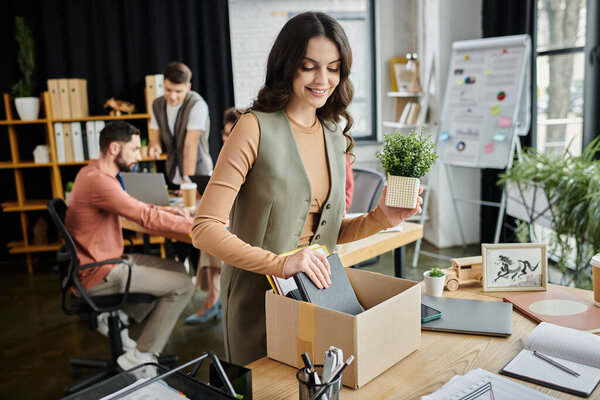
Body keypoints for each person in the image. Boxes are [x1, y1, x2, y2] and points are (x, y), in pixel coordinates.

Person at [191, 12, 422, 366]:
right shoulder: (252, 128)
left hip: (319, 293)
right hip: (258, 300)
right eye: (309, 66)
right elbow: (204, 229)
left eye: (333, 67)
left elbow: (324, 238)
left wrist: (380, 218)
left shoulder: (334, 134)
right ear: (287, 66)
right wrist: (280, 263)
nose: (323, 79)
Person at [65, 121, 194, 376]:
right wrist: (195, 226)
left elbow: (137, 206)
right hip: (101, 273)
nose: (139, 155)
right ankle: (140, 358)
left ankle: (119, 320)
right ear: (114, 148)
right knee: (183, 285)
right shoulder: (100, 182)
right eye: (134, 149)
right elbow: (145, 217)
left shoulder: (91, 173)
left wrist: (174, 212)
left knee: (177, 268)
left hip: (102, 262)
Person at [184, 107, 242, 324]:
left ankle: (213, 299)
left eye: (234, 133)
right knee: (208, 231)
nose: (229, 138)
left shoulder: (250, 155)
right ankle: (214, 299)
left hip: (245, 222)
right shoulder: (225, 158)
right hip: (230, 217)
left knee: (210, 235)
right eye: (226, 134)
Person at [148, 61, 212, 186]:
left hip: (197, 175)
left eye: (178, 91)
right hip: (173, 173)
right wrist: (155, 147)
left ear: (188, 87)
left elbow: (190, 146)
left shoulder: (197, 105)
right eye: (168, 90)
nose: (172, 96)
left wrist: (187, 183)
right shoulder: (157, 104)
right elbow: (155, 136)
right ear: (163, 83)